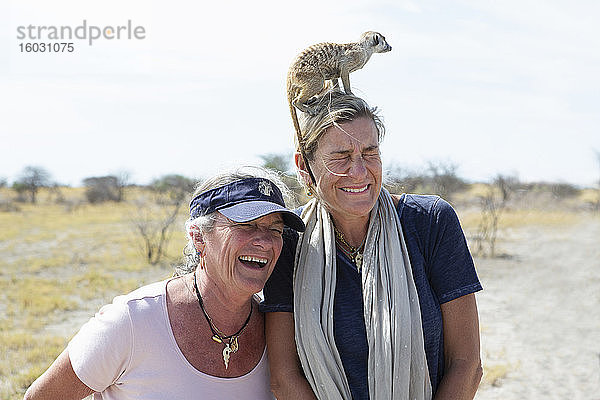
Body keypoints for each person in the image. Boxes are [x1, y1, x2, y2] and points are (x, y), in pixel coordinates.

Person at [261, 91, 483, 400]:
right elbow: (284, 377)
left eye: (370, 152)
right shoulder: (289, 241)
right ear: (304, 166)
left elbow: (466, 364)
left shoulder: (428, 223)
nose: (360, 171)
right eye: (341, 156)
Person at [24, 167, 305, 400]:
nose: (265, 241)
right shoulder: (133, 321)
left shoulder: (278, 334)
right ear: (199, 237)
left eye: (275, 230)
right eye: (246, 226)